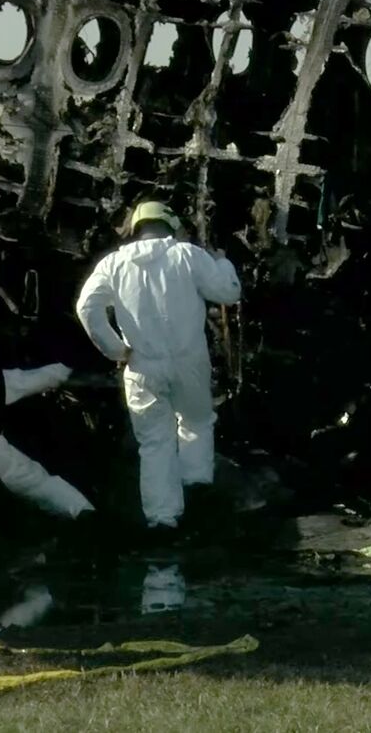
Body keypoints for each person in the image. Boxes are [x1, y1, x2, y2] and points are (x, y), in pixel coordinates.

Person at [75, 201, 241, 531]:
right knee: (196, 421)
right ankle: (196, 488)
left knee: (154, 443)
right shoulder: (188, 255)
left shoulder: (113, 264)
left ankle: (163, 520)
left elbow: (87, 308)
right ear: (171, 225)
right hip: (189, 361)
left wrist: (116, 350)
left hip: (142, 366)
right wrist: (222, 262)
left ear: (136, 228)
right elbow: (228, 293)